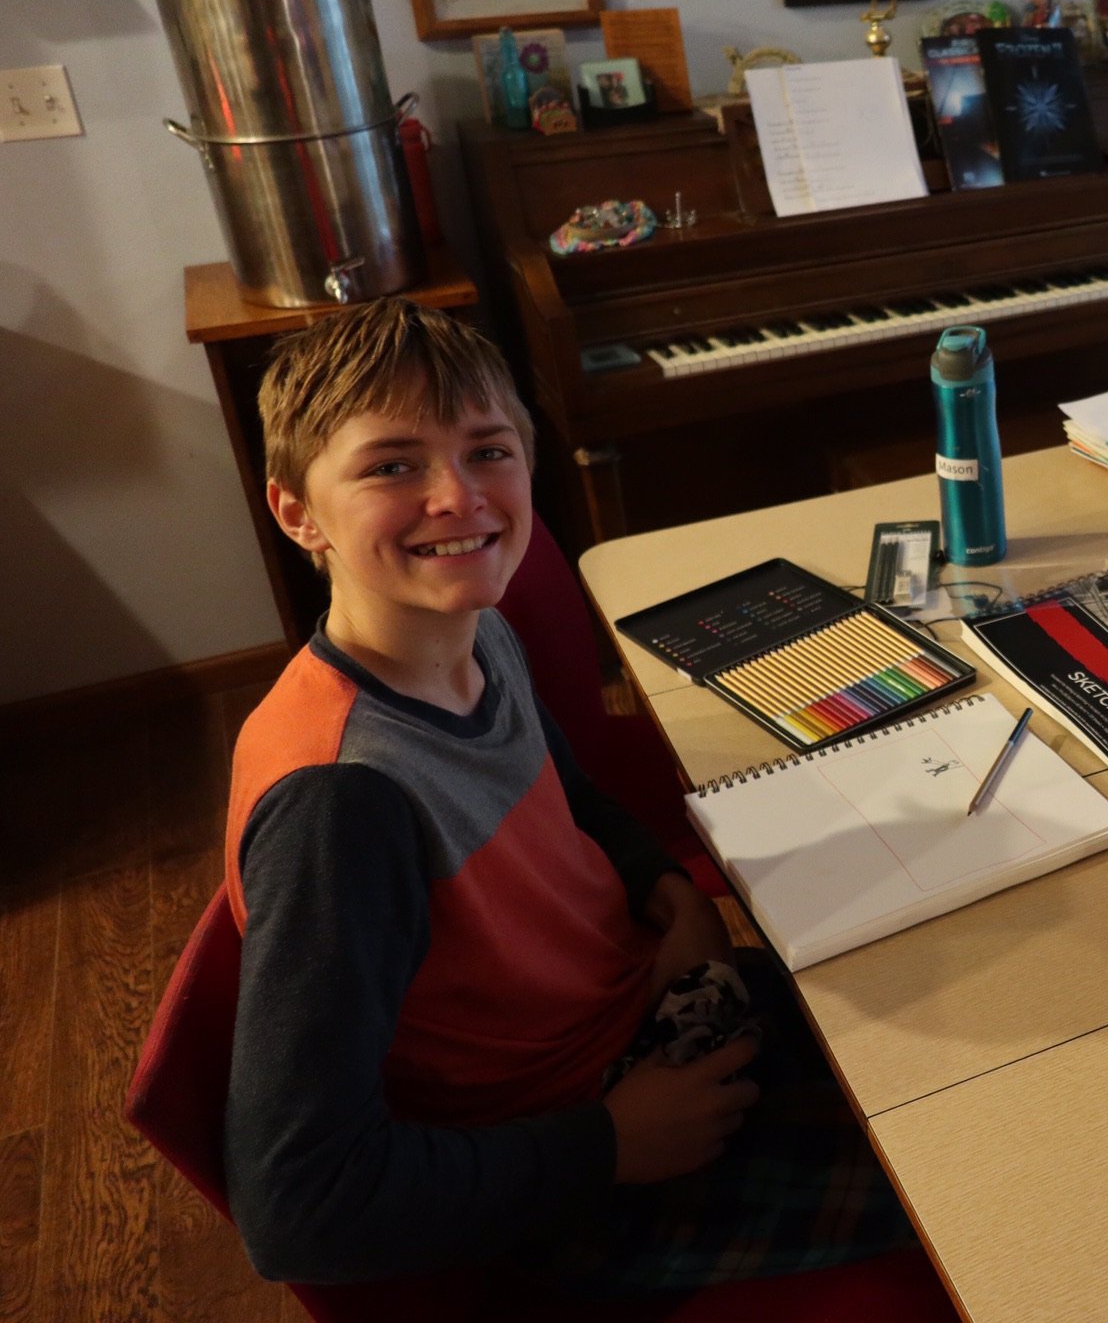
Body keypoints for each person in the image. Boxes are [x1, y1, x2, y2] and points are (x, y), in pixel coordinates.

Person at [222, 298, 915, 1293]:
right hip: (573, 1174)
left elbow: (570, 792)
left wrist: (667, 893)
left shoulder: (474, 632)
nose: (458, 497)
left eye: (487, 451)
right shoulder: (341, 805)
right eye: (392, 466)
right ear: (297, 513)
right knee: (971, 1173)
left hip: (647, 1020)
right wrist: (611, 1143)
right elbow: (296, 1209)